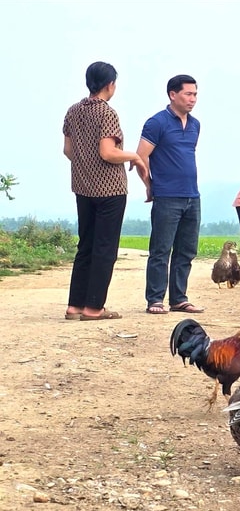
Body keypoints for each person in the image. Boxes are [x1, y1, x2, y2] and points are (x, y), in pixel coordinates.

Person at [63, 61, 147, 321]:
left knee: (86, 245)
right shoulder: (106, 113)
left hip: (82, 187)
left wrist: (85, 166)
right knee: (105, 249)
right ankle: (94, 307)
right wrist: (134, 156)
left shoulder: (73, 111)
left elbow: (68, 150)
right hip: (110, 189)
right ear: (110, 84)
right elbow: (108, 152)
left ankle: (75, 305)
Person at [137, 74, 205, 315]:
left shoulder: (195, 125)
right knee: (161, 250)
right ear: (172, 94)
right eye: (188, 94)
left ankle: (179, 299)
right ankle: (155, 299)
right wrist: (149, 184)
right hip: (167, 197)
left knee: (186, 250)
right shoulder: (157, 123)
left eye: (195, 94)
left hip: (192, 195)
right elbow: (140, 157)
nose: (193, 99)